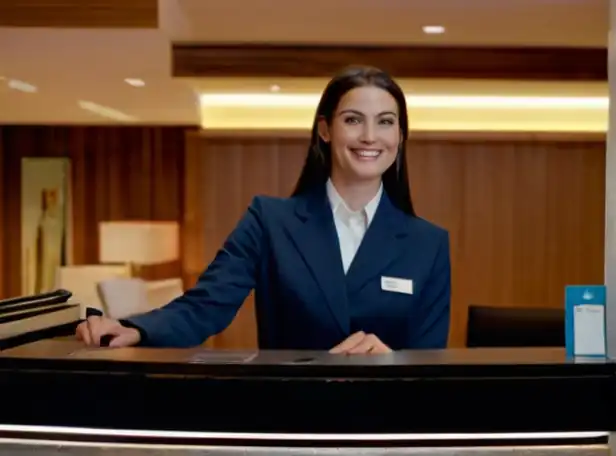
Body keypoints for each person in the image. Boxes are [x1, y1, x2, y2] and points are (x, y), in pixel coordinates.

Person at [77, 65, 451, 354]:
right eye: (353, 120)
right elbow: (207, 305)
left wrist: (391, 362)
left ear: (400, 136)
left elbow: (430, 360)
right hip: (289, 425)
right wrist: (138, 328)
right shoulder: (270, 221)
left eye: (385, 122)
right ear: (325, 130)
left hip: (383, 432)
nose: (370, 136)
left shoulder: (428, 243)